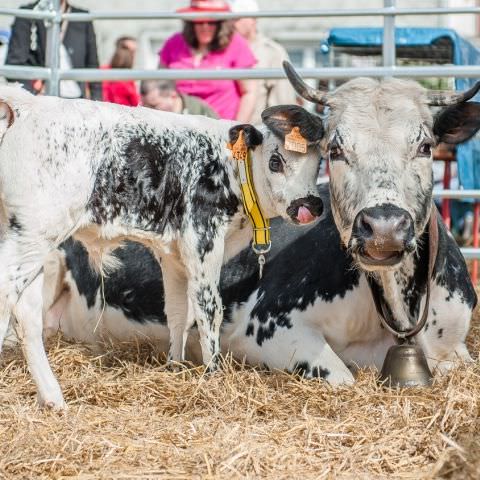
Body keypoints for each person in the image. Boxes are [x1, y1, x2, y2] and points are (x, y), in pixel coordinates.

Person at [159, 0, 257, 121]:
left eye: (211, 21)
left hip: (221, 127)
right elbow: (159, 85)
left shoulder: (236, 43)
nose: (205, 26)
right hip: (180, 124)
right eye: (199, 21)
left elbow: (249, 93)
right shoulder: (174, 43)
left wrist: (236, 131)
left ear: (221, 23)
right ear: (191, 22)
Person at [5, 0, 101, 100]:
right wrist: (31, 98)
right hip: (42, 100)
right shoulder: (28, 14)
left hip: (76, 101)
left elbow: (93, 67)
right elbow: (14, 66)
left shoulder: (82, 17)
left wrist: (97, 104)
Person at [229, 0, 297, 124]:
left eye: (237, 18)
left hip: (254, 132)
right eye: (230, 18)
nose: (232, 23)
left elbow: (282, 106)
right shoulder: (220, 49)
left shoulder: (272, 52)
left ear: (253, 19)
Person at [140, 79, 218, 118]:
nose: (147, 111)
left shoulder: (200, 112)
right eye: (144, 106)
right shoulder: (147, 118)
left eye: (153, 106)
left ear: (173, 95)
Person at [102, 36, 140, 106]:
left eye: (134, 51)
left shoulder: (132, 75)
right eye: (127, 50)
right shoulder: (101, 72)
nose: (132, 54)